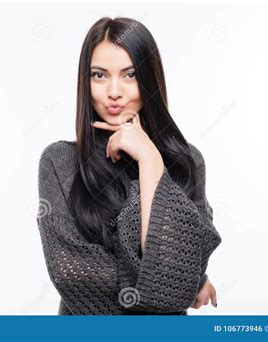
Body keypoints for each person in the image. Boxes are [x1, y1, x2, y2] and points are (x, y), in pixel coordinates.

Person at [36, 16, 222, 315]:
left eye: (129, 74)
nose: (113, 92)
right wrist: (178, 282)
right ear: (86, 81)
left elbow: (178, 276)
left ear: (149, 79)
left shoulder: (187, 162)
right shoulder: (59, 161)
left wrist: (150, 161)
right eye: (99, 75)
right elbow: (69, 274)